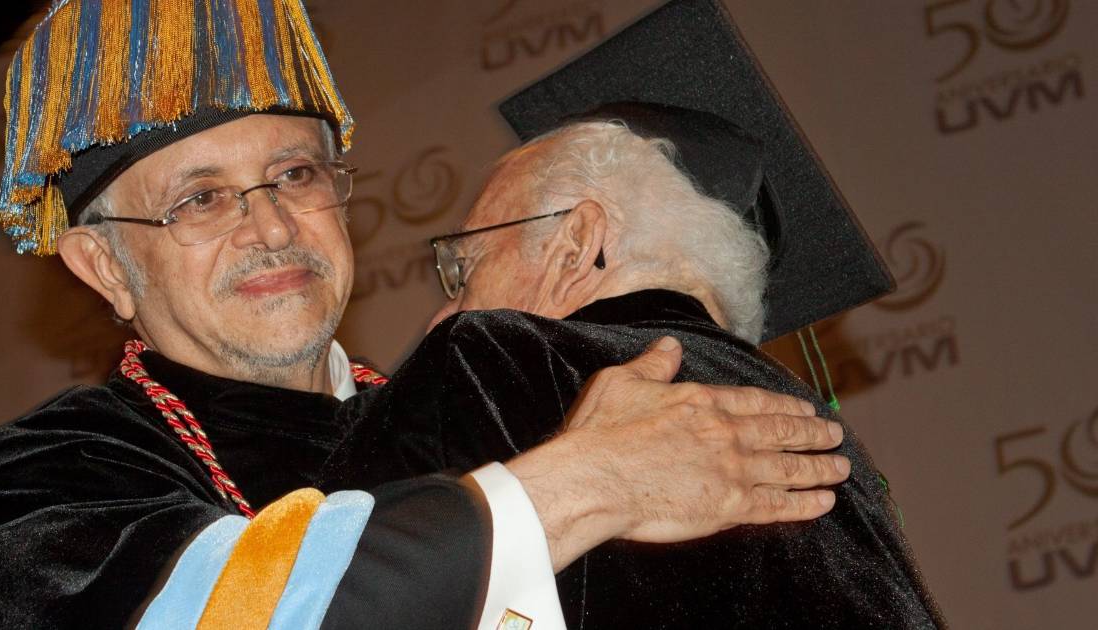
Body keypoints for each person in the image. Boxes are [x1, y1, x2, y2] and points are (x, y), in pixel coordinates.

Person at [0, 3, 847, 629]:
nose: (271, 227)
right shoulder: (49, 480)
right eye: (201, 199)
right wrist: (587, 484)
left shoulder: (474, 410)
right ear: (106, 266)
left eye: (296, 175)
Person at [317, 104, 947, 627]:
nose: (442, 314)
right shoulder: (835, 455)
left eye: (464, 266)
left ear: (576, 246)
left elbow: (316, 593)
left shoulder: (489, 359)